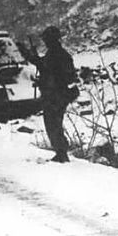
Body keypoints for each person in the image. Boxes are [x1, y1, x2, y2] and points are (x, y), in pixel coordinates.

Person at [25, 26, 79, 163]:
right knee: (55, 123)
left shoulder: (55, 54)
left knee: (52, 123)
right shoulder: (59, 53)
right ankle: (61, 152)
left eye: (46, 39)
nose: (45, 42)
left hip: (55, 95)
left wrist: (34, 59)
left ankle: (61, 153)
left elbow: (47, 70)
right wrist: (34, 58)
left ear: (51, 40)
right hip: (60, 94)